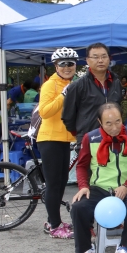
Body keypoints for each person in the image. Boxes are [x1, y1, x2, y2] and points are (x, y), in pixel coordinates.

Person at [69, 103, 127, 253]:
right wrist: (83, 186)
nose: (114, 127)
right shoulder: (91, 138)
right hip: (99, 188)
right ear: (99, 122)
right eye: (108, 123)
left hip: (126, 187)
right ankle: (85, 248)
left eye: (117, 121)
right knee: (78, 206)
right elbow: (81, 166)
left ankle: (125, 246)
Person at [36, 48, 80, 238]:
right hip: (50, 138)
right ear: (56, 66)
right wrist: (63, 95)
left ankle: (53, 221)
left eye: (71, 63)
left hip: (64, 139)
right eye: (63, 64)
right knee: (54, 185)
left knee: (61, 184)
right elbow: (44, 112)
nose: (67, 67)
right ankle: (54, 225)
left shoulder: (73, 83)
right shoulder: (50, 85)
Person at [62, 42, 124, 141]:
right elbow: (68, 116)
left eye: (104, 56)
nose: (100, 60)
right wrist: (82, 134)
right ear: (87, 60)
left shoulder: (116, 82)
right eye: (95, 57)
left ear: (109, 59)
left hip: (115, 138)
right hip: (89, 139)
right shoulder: (77, 86)